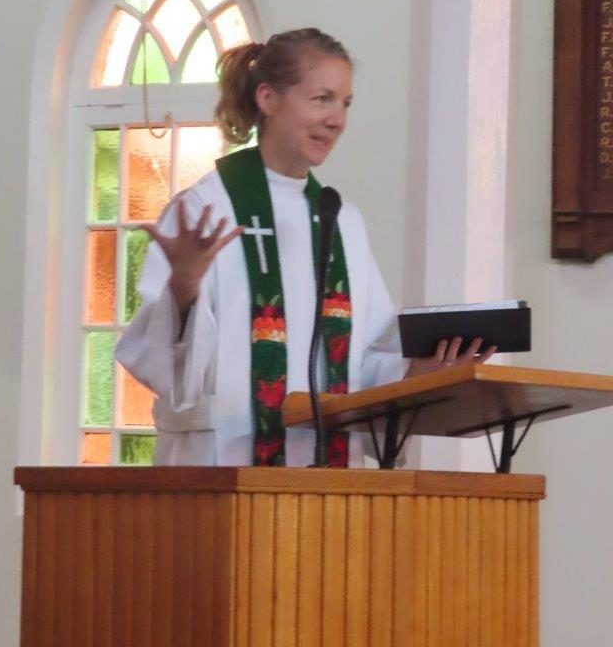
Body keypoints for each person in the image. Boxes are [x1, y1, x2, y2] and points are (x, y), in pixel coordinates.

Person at [115, 28, 495, 467]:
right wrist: (184, 287)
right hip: (222, 473)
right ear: (268, 98)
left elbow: (368, 358)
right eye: (322, 99)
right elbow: (165, 369)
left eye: (345, 103)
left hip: (324, 489)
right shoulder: (205, 210)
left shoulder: (340, 220)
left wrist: (420, 373)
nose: (337, 119)